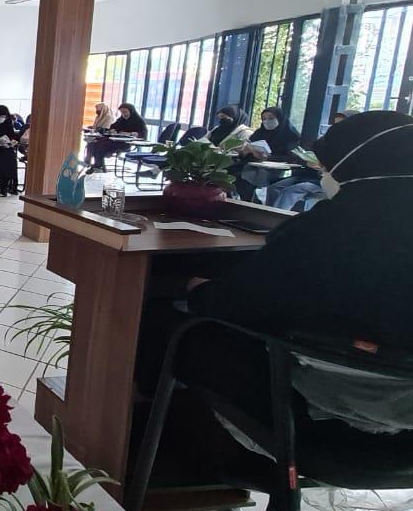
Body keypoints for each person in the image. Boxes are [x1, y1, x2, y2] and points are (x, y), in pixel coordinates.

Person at [170, 111, 413, 449]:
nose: (325, 174)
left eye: (328, 166)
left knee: (181, 332)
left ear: (356, 163)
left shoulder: (331, 228)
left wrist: (200, 292)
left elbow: (249, 300)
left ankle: (187, 455)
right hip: (404, 417)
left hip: (335, 404)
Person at [264, 111, 352, 211]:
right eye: (335, 125)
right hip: (309, 175)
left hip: (327, 181)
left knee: (290, 191)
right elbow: (299, 157)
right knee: (273, 188)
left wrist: (325, 168)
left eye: (341, 124)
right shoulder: (327, 140)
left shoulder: (353, 146)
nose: (337, 128)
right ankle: (267, 213)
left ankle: (276, 217)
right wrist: (307, 163)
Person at [232, 107, 302, 201]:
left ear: (280, 118)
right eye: (264, 119)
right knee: (231, 172)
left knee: (245, 179)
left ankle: (253, 203)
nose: (267, 121)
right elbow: (249, 147)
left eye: (271, 118)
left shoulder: (291, 135)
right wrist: (246, 151)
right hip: (253, 164)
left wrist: (268, 157)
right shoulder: (259, 133)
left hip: (274, 169)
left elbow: (291, 157)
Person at [85, 103, 147, 171]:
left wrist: (130, 134)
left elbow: (143, 134)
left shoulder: (139, 121)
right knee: (94, 142)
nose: (123, 114)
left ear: (131, 111)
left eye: (125, 112)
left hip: (125, 143)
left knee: (102, 145)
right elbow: (113, 126)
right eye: (121, 112)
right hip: (115, 140)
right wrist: (113, 130)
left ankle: (98, 165)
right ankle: (97, 164)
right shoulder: (121, 119)